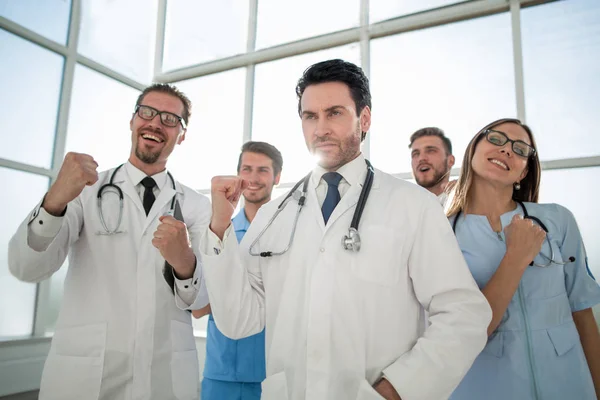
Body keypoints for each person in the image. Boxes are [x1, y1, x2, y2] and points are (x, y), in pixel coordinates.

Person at [199, 59, 492, 400]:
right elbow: (239, 321)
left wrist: (398, 390)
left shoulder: (413, 206)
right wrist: (219, 227)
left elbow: (464, 314)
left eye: (334, 113)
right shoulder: (272, 215)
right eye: (310, 116)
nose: (320, 128)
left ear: (364, 118)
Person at [8, 84, 211, 400]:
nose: (156, 123)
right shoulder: (84, 190)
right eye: (147, 112)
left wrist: (183, 261)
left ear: (181, 135)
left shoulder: (198, 206)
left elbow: (201, 303)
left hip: (164, 377)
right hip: (85, 378)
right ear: (132, 121)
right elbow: (27, 267)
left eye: (171, 119)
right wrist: (54, 201)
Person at [447, 118, 600, 400]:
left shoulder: (558, 220)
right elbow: (468, 331)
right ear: (472, 151)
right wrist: (516, 257)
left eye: (520, 149)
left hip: (569, 385)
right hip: (484, 388)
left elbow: (582, 313)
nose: (507, 150)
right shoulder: (441, 233)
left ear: (523, 173)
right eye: (496, 139)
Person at [193, 141, 283, 400]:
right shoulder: (217, 233)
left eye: (263, 170)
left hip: (272, 374)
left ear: (277, 177)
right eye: (247, 169)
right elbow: (198, 305)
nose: (253, 178)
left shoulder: (288, 234)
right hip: (222, 372)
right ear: (238, 175)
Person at [409, 127, 455, 205]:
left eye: (431, 151)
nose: (421, 158)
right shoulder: (398, 207)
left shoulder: (471, 204)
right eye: (416, 154)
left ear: (450, 161)